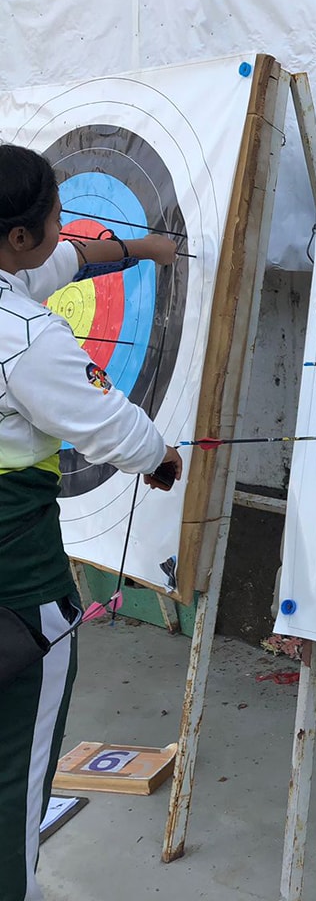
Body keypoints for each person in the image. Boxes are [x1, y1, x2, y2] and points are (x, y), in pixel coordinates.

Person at [0, 143, 183, 901]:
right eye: (54, 213)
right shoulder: (28, 337)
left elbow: (67, 261)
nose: (62, 224)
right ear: (19, 236)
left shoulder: (19, 275)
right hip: (16, 591)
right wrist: (162, 457)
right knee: (16, 772)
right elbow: (115, 430)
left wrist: (143, 251)